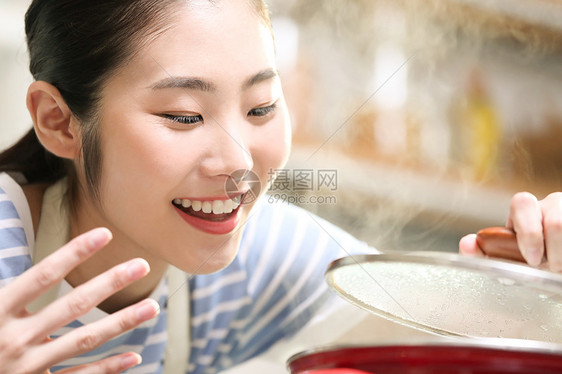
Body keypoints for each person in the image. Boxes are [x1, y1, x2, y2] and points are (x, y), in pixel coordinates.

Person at [0, 0, 560, 373]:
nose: (239, 162)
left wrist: (541, 285)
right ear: (59, 120)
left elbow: (463, 325)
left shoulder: (261, 256)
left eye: (261, 107)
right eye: (184, 116)